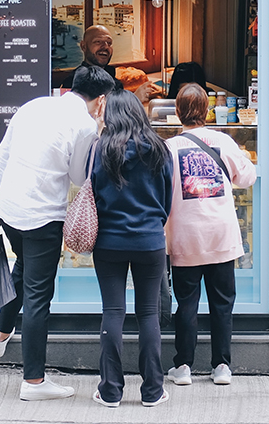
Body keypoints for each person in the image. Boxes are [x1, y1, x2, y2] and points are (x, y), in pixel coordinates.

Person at [0, 64, 115, 401]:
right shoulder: (84, 124)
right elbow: (75, 177)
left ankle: (1, 332)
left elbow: (2, 156)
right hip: (43, 216)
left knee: (23, 268)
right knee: (39, 295)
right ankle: (34, 382)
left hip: (10, 209)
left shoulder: (34, 105)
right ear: (100, 101)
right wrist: (96, 132)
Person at [164, 83, 257, 387]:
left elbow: (162, 192)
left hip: (184, 236)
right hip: (220, 235)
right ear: (207, 111)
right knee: (222, 303)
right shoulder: (223, 142)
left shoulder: (169, 148)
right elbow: (247, 177)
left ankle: (183, 367)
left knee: (186, 303)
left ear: (178, 112)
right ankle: (221, 366)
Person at [90, 89, 174, 409]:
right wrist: (153, 223)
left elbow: (94, 192)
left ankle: (110, 391)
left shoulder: (101, 150)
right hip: (150, 241)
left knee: (113, 312)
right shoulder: (159, 149)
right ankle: (152, 390)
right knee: (148, 313)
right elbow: (167, 199)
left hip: (109, 241)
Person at [60, 25, 120, 89]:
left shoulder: (113, 77)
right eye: (98, 42)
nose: (105, 46)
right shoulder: (74, 82)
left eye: (109, 43)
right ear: (84, 46)